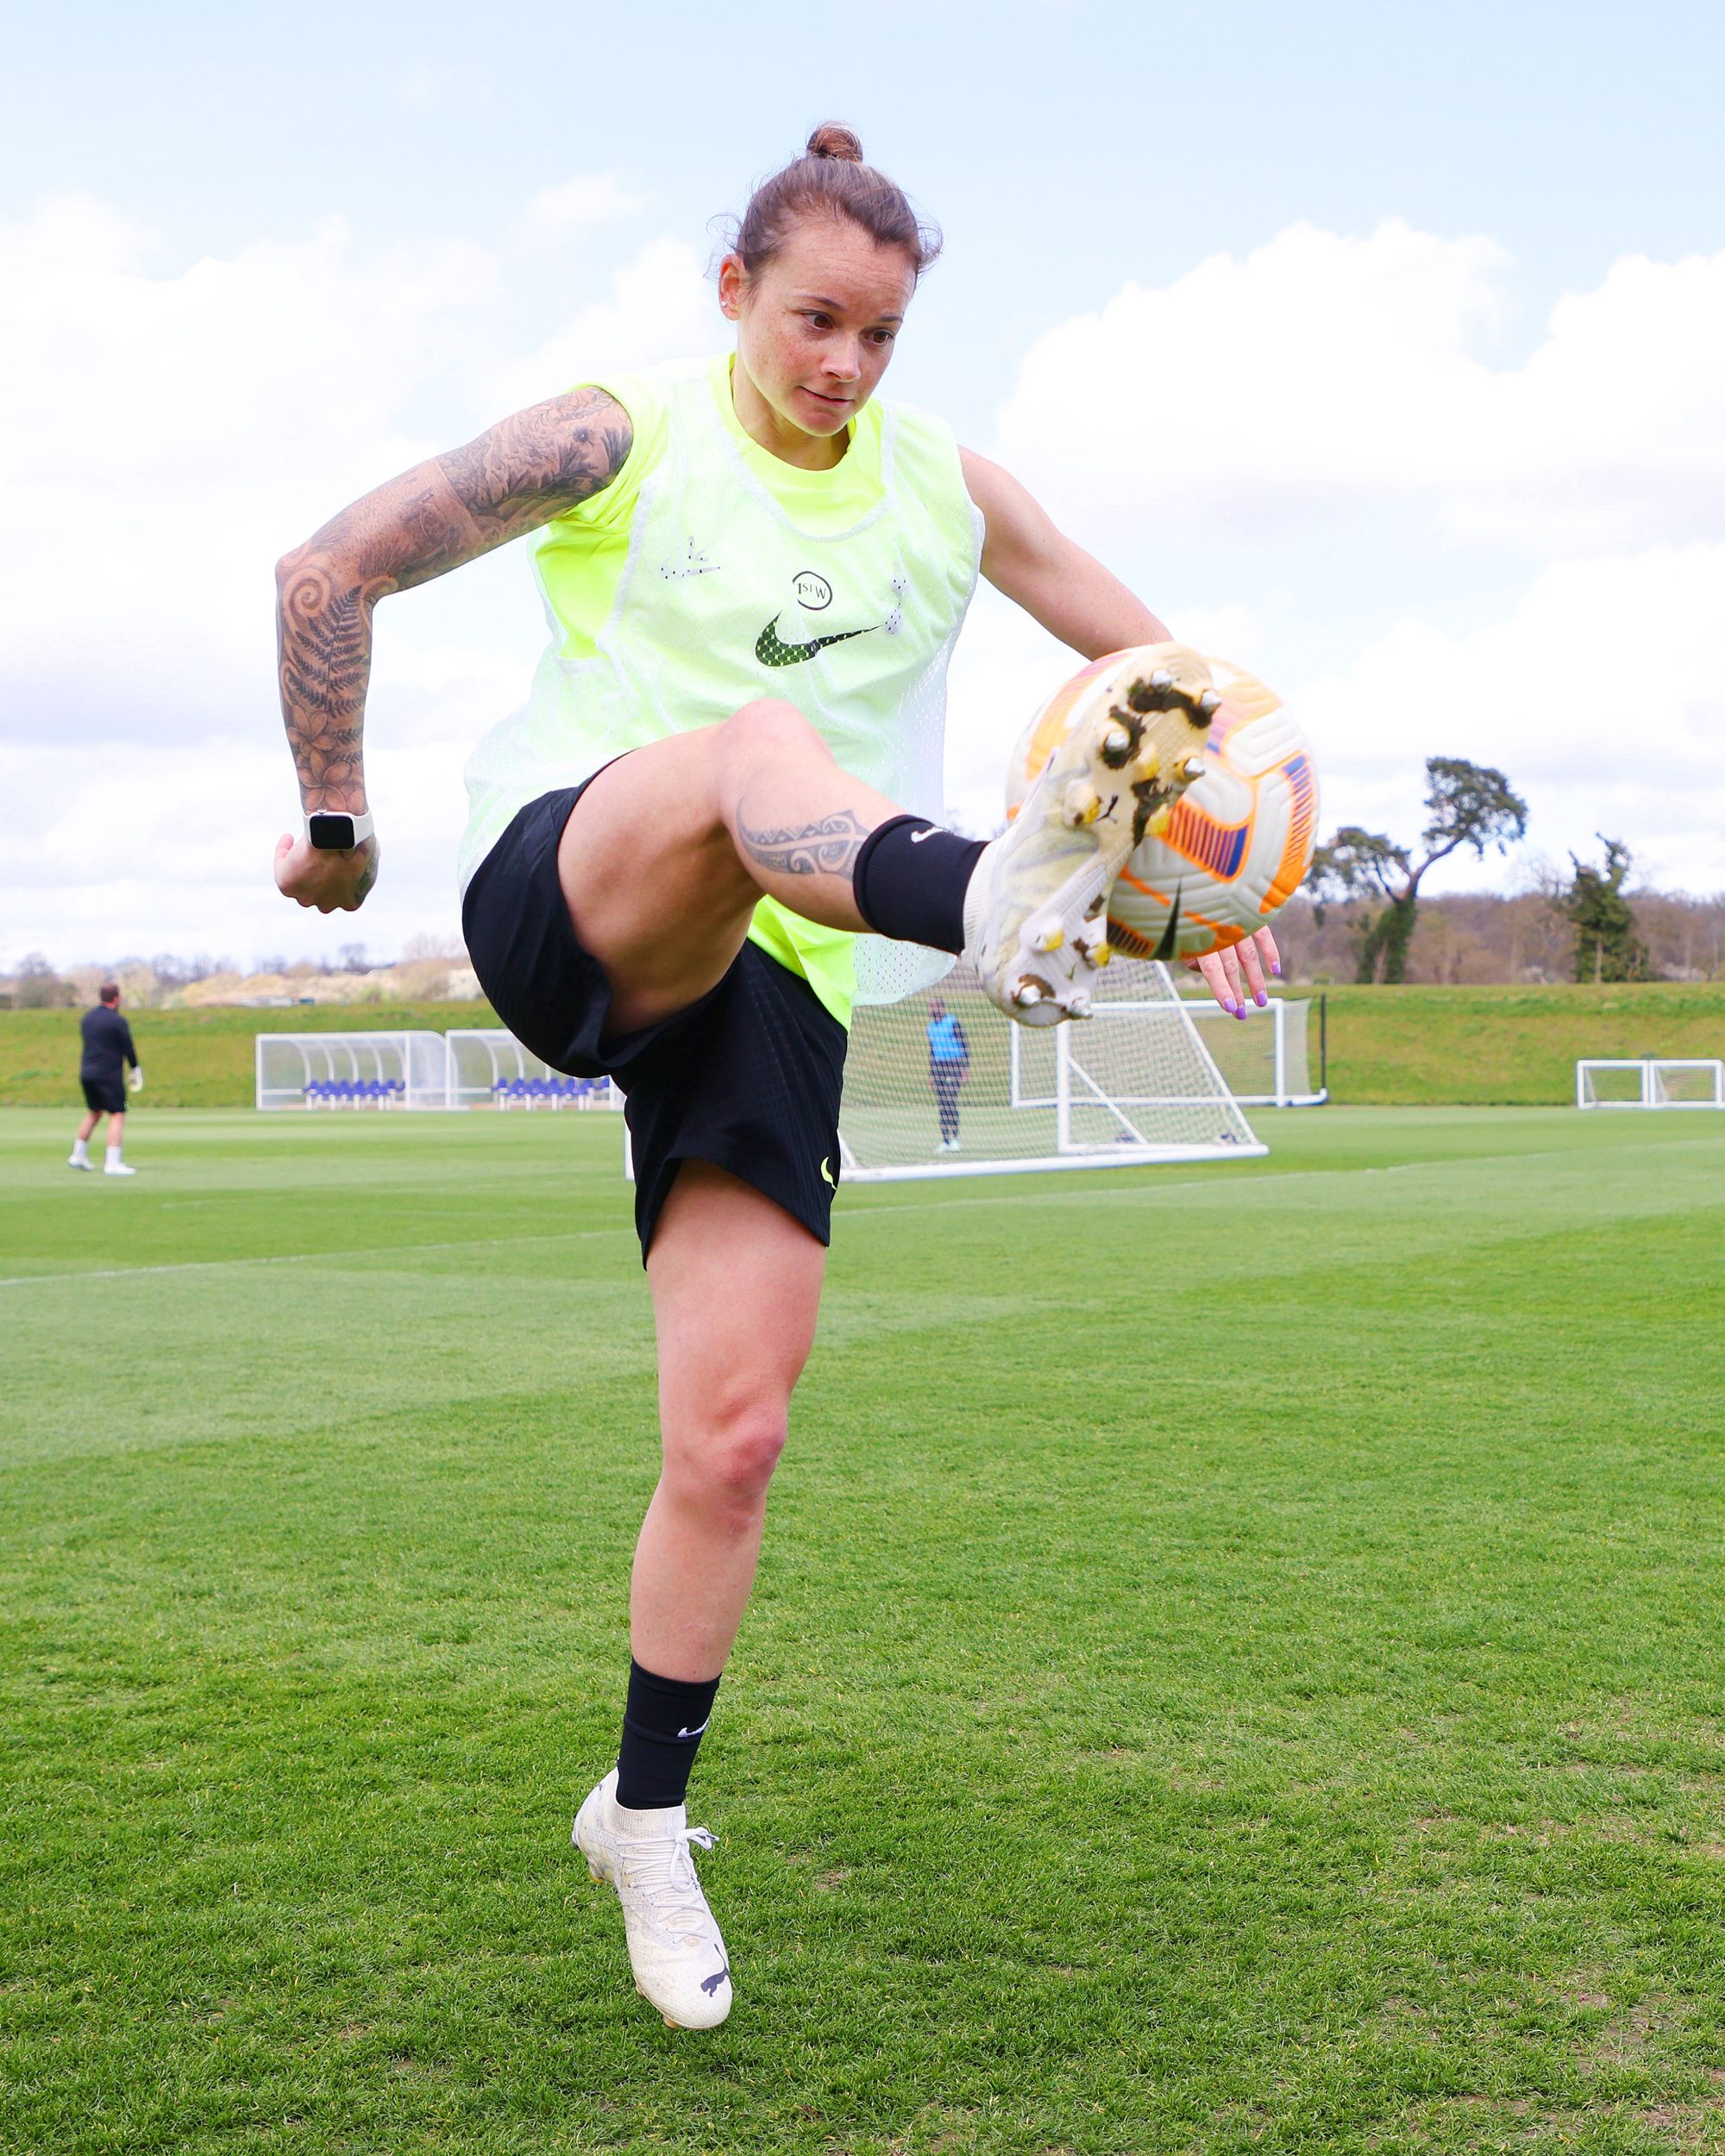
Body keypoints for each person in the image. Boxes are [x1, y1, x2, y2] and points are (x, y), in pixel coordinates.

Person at [271, 123, 1279, 2031]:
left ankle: (640, 1813)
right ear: (732, 293)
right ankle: (993, 895)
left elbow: (1162, 660)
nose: (843, 365)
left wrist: (1225, 849)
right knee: (754, 745)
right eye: (814, 319)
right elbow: (328, 569)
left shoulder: (942, 488)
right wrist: (334, 814)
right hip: (578, 879)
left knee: (733, 1435)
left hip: (780, 976)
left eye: (882, 335)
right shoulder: (616, 433)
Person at [69, 981, 141, 1175]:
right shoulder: (117, 1021)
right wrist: (135, 1069)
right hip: (107, 1074)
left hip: (86, 1073)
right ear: (116, 998)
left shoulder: (88, 1018)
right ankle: (112, 1163)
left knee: (95, 1111)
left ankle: (77, 1155)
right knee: (117, 1114)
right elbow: (128, 1047)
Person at [925, 997, 969, 1150]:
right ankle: (945, 1141)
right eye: (930, 1007)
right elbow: (932, 1051)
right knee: (942, 1103)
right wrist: (932, 1074)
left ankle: (955, 1138)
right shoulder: (930, 1027)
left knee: (951, 1099)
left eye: (934, 1007)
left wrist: (965, 1068)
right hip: (939, 1066)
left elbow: (964, 1045)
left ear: (941, 1008)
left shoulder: (952, 1022)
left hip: (955, 1063)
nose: (931, 1010)